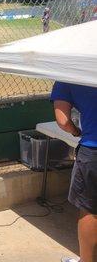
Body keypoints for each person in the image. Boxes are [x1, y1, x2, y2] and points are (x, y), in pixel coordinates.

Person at [51, 82, 97, 262]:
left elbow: (63, 120)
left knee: (90, 209)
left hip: (93, 151)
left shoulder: (69, 71)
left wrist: (76, 131)